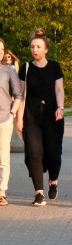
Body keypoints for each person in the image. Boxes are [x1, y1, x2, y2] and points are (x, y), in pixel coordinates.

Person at [16, 30, 65, 207]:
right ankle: (39, 193)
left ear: (46, 49)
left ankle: (53, 181)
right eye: (32, 47)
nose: (34, 50)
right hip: (32, 116)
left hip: (53, 116)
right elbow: (21, 94)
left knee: (53, 153)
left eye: (38, 47)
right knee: (35, 153)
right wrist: (19, 119)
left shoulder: (55, 66)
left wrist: (60, 107)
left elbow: (59, 89)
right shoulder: (26, 68)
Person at [0, 38, 23, 206]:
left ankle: (1, 192)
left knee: (3, 157)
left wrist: (12, 112)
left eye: (1, 49)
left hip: (4, 119)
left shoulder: (8, 70)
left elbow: (19, 94)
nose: (0, 52)